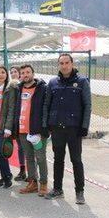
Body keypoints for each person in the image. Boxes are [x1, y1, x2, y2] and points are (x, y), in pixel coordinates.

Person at [43, 53, 92, 204]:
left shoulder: (82, 82)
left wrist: (84, 127)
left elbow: (87, 106)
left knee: (76, 160)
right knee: (58, 159)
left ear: (72, 63)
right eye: (61, 63)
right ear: (58, 65)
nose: (64, 66)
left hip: (74, 129)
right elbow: (46, 105)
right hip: (57, 128)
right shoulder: (53, 83)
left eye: (66, 63)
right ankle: (58, 189)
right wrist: (46, 125)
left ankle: (79, 192)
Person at [11, 64, 49, 196]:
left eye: (28, 72)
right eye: (23, 73)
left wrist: (44, 128)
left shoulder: (42, 88)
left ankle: (43, 183)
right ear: (20, 75)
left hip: (36, 130)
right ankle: (33, 182)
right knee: (29, 157)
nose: (25, 75)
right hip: (22, 130)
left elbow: (46, 109)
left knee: (40, 157)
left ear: (33, 73)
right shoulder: (18, 89)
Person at [9, 65, 27, 182]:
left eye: (15, 71)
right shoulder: (12, 87)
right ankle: (22, 170)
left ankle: (33, 172)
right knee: (20, 147)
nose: (13, 73)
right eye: (11, 72)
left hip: (27, 121)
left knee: (30, 148)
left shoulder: (25, 86)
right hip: (17, 121)